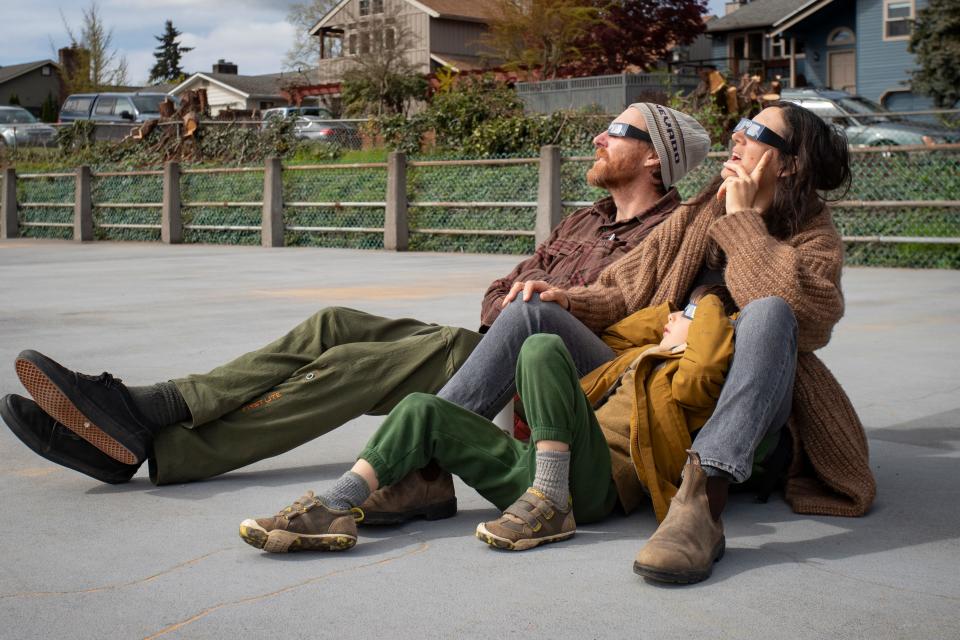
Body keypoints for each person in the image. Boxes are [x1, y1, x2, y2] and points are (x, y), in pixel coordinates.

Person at [0, 104, 711, 516]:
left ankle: (153, 437)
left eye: (618, 131)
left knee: (356, 366)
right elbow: (500, 290)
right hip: (491, 345)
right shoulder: (580, 223)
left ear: (657, 160)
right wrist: (526, 296)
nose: (598, 136)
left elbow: (630, 323)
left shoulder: (671, 235)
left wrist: (555, 302)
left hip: (555, 380)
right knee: (332, 323)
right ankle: (152, 416)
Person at [422, 102, 875, 583]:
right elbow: (623, 289)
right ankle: (424, 465)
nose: (737, 138)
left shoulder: (814, 235)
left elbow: (807, 318)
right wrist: (571, 302)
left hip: (731, 400)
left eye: (756, 131)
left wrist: (744, 222)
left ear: (790, 163)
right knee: (531, 310)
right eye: (739, 126)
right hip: (650, 372)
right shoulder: (700, 212)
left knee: (769, 312)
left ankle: (703, 503)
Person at [236, 286, 735, 554]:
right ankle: (335, 505)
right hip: (540, 467)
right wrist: (673, 322)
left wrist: (708, 302)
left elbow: (709, 358)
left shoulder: (688, 381)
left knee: (540, 346)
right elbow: (639, 317)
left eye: (683, 316)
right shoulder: (635, 353)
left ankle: (553, 504)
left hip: (600, 481)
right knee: (422, 407)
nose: (671, 317)